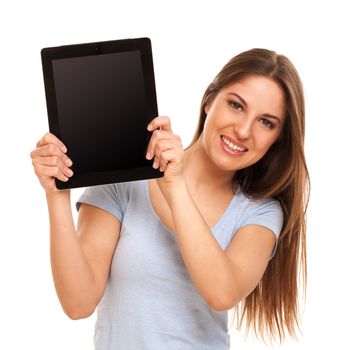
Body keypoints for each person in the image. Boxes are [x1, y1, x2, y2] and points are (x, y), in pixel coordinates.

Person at [30, 48, 310, 349]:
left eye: (266, 122)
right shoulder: (125, 181)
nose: (243, 130)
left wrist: (174, 186)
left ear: (277, 139)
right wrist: (56, 194)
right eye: (236, 105)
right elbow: (77, 303)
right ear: (209, 100)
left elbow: (221, 292)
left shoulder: (260, 212)